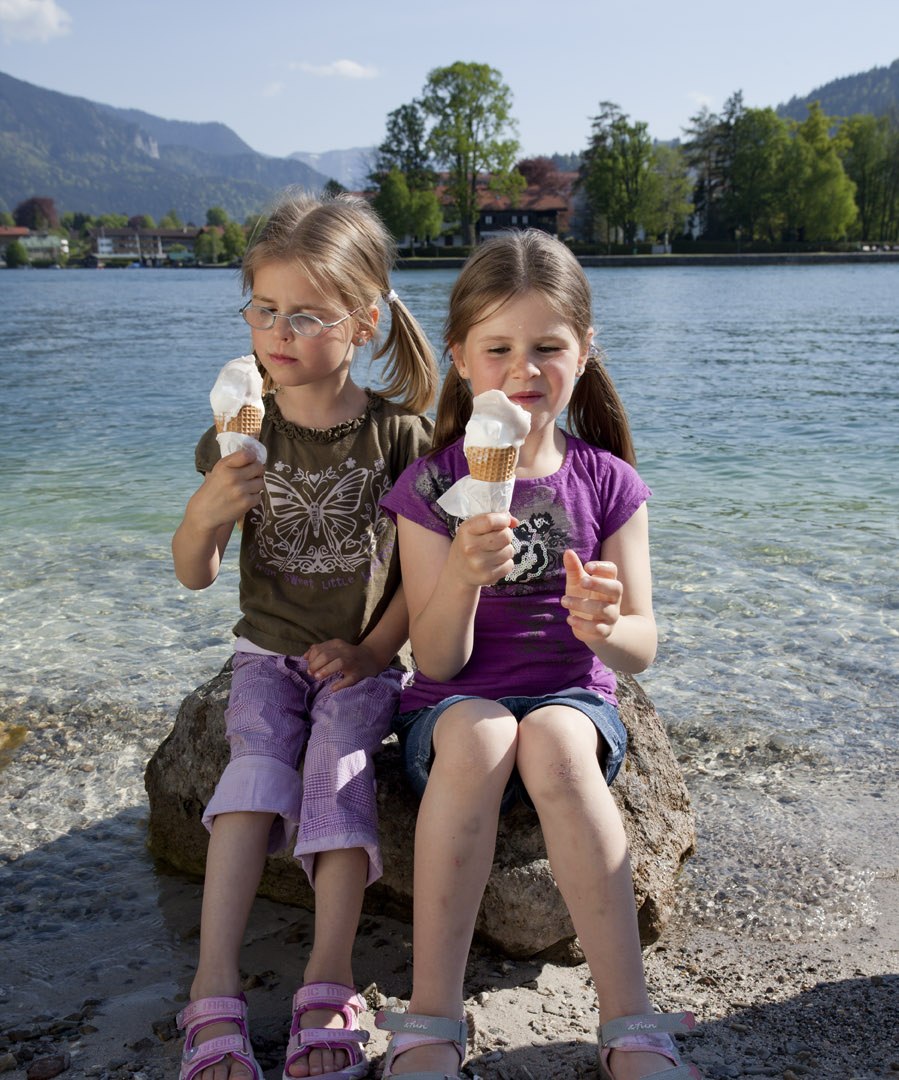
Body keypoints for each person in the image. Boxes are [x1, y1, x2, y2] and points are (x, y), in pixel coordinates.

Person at [378, 230, 700, 1080]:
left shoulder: (607, 482)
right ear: (458, 360)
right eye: (498, 348)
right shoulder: (431, 491)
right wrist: (460, 579)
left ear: (585, 352)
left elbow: (641, 648)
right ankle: (432, 1021)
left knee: (557, 744)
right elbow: (438, 661)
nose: (524, 368)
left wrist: (603, 626)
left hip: (570, 697)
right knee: (483, 733)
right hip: (457, 706)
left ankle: (628, 1023)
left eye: (547, 346)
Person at [171, 190, 437, 1080]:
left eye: (305, 315)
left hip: (361, 661)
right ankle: (213, 988)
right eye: (263, 309)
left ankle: (329, 976)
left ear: (363, 323)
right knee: (252, 774)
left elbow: (418, 578)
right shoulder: (240, 432)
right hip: (262, 652)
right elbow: (194, 571)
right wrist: (206, 515)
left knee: (340, 771)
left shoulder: (399, 436)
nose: (277, 333)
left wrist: (370, 651)